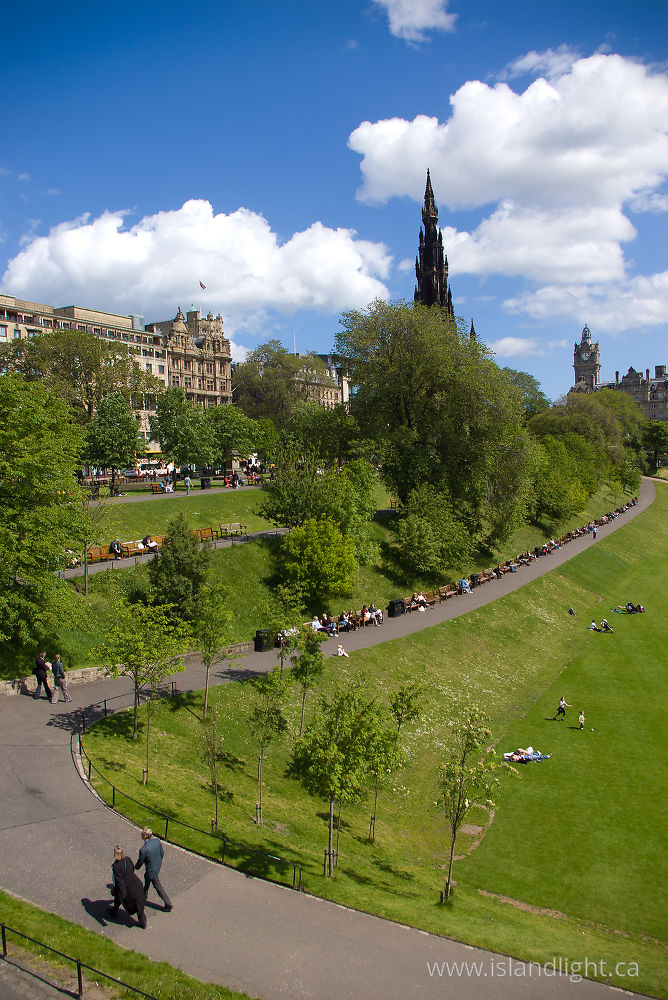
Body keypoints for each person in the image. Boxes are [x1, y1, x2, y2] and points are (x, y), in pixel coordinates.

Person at [135, 827, 172, 911]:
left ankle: (168, 903)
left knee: (157, 886)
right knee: (146, 877)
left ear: (145, 837)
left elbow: (140, 862)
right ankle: (144, 895)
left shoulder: (143, 850)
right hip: (156, 865)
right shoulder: (157, 841)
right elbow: (162, 853)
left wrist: (135, 867)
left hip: (151, 870)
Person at [109, 845, 147, 927]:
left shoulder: (116, 867)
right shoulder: (128, 859)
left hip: (127, 888)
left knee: (119, 898)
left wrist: (123, 894)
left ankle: (114, 912)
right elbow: (132, 869)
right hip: (136, 884)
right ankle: (143, 921)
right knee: (139, 903)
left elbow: (120, 881)